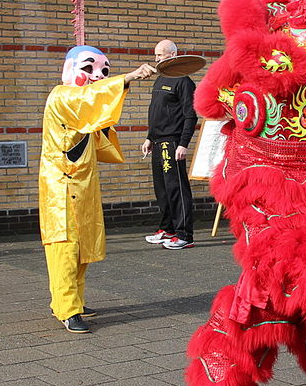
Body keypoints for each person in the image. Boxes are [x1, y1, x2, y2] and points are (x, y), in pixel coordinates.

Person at [40, 46, 155, 333]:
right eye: (88, 69)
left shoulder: (78, 102)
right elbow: (87, 100)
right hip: (62, 189)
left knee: (82, 249)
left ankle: (73, 302)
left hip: (83, 186)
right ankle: (66, 309)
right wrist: (126, 78)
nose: (97, 76)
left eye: (104, 71)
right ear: (69, 70)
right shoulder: (61, 96)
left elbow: (95, 116)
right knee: (64, 248)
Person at [143, 39, 199, 250]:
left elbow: (190, 116)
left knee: (176, 188)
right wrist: (149, 137)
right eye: (156, 55)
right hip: (157, 142)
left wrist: (183, 144)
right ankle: (168, 229)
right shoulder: (160, 80)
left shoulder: (183, 82)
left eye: (161, 55)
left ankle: (185, 234)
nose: (157, 59)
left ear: (173, 55)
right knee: (163, 189)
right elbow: (157, 113)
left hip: (172, 143)